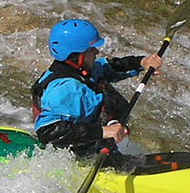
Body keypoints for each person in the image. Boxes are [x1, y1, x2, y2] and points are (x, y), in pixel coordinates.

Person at [31, 18, 162, 169]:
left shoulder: (82, 71)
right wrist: (103, 132)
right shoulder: (65, 90)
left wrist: (142, 63)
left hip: (96, 145)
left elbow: (111, 67)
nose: (96, 51)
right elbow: (47, 132)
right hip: (77, 159)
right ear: (76, 55)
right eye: (91, 49)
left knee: (103, 88)